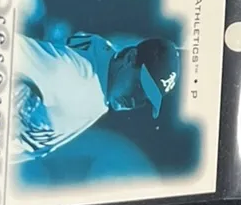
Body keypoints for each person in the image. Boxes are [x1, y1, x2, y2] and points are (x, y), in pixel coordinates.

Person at [12, 31, 178, 162]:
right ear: (130, 58)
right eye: (138, 88)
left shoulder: (106, 63)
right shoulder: (71, 76)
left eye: (144, 100)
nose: (134, 101)